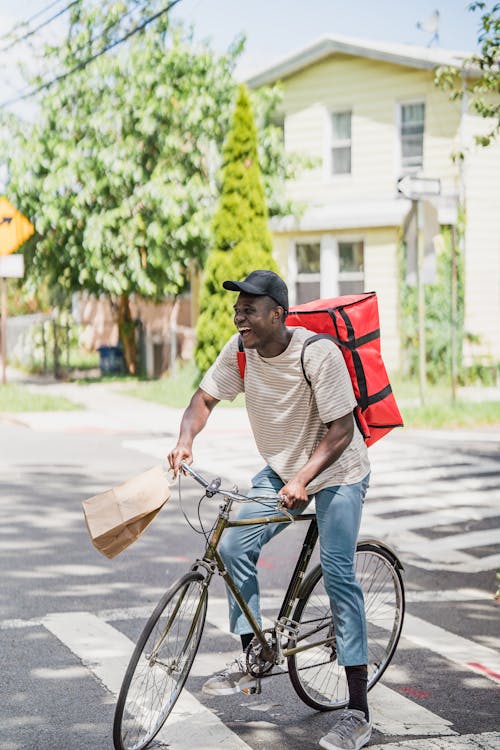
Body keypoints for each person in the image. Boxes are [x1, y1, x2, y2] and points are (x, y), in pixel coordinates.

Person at [168, 269, 372, 750]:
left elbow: (342, 429)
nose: (240, 315)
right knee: (234, 541)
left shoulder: (317, 354)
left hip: (338, 471)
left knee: (339, 573)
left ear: (277, 314)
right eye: (237, 308)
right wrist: (184, 440)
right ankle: (252, 657)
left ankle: (359, 711)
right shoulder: (240, 351)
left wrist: (305, 478)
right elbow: (203, 399)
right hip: (283, 469)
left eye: (250, 308)